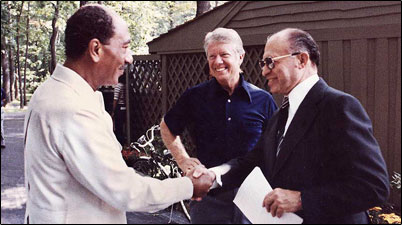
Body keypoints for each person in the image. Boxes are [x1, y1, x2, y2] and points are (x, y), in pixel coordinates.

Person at [23, 4, 214, 224]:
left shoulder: (56, 92)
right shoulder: (71, 107)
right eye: (124, 47)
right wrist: (188, 186)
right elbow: (124, 190)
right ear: (96, 49)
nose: (130, 58)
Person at [203, 28, 390, 224]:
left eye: (270, 62)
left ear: (301, 60)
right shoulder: (279, 115)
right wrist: (213, 175)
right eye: (263, 63)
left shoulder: (338, 106)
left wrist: (302, 199)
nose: (264, 70)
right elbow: (251, 162)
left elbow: (373, 186)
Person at [160, 27, 277, 223]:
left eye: (224, 54)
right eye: (212, 56)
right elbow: (167, 126)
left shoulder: (263, 100)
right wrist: (183, 160)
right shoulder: (194, 97)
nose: (217, 61)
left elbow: (274, 146)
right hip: (209, 200)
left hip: (253, 198)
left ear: (240, 57)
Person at [112, 74, 127, 146]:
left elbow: (116, 99)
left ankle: (119, 142)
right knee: (123, 125)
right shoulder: (125, 86)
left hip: (119, 107)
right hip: (124, 107)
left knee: (118, 126)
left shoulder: (118, 86)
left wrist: (113, 110)